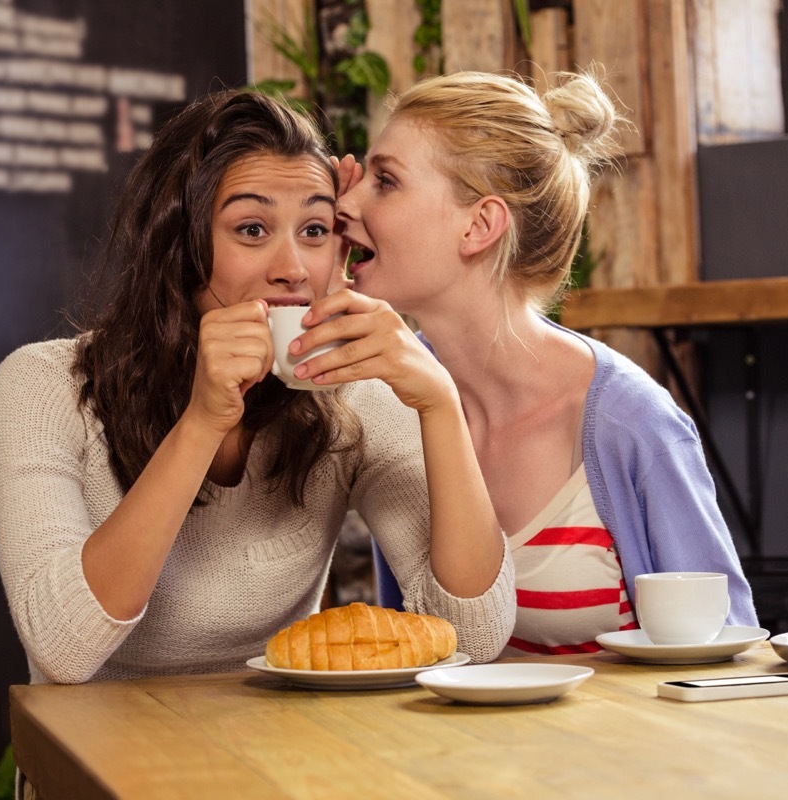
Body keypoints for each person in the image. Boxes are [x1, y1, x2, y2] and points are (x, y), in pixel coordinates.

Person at [0, 89, 514, 685]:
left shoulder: (350, 395)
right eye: (252, 228)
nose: (292, 267)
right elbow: (63, 649)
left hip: (271, 760)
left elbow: (475, 636)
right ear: (179, 247)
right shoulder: (44, 385)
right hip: (101, 763)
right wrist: (202, 421)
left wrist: (439, 403)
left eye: (315, 229)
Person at [324, 70, 756, 657]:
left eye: (385, 181)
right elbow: (409, 647)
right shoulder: (393, 402)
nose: (344, 201)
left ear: (478, 226)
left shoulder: (628, 424)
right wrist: (315, 255)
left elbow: (727, 651)